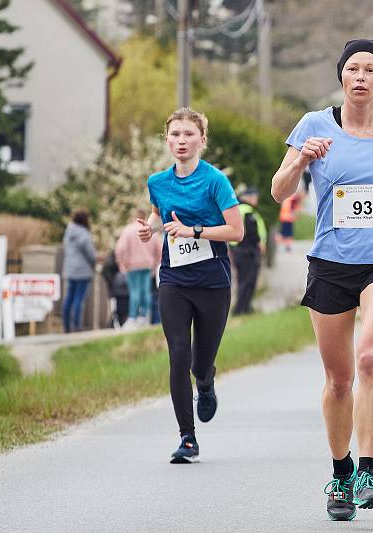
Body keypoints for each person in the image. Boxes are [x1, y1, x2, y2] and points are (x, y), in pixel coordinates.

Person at [271, 39, 373, 521]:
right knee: (339, 381)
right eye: (353, 69)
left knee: (368, 358)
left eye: (371, 69)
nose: (361, 76)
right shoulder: (314, 125)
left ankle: (368, 471)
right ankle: (340, 475)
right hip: (330, 264)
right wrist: (301, 160)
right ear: (341, 77)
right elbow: (280, 191)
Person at [137, 107, 244, 464]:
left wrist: (194, 231)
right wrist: (150, 228)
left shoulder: (216, 181)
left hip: (213, 282)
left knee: (200, 362)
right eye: (175, 135)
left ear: (202, 140)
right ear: (166, 140)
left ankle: (206, 382)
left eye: (188, 134)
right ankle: (187, 437)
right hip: (174, 280)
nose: (181, 141)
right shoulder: (157, 182)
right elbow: (158, 213)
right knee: (178, 353)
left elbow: (237, 231)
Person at [115, 208, 163, 328]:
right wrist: (156, 263)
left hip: (132, 265)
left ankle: (132, 317)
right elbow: (160, 249)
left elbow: (120, 248)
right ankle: (145, 317)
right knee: (145, 291)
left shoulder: (128, 230)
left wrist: (122, 263)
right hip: (147, 265)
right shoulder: (149, 230)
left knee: (134, 292)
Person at [230, 185, 267, 315]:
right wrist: (258, 244)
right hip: (248, 251)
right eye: (255, 196)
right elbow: (251, 232)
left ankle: (242, 308)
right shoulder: (248, 211)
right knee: (248, 281)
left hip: (238, 251)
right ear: (249, 197)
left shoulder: (238, 210)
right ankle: (242, 309)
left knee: (242, 280)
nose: (256, 199)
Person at [62, 208, 97, 333]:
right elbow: (90, 254)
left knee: (69, 298)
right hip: (82, 271)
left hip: (70, 270)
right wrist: (95, 262)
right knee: (79, 299)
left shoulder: (69, 231)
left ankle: (66, 326)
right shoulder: (83, 233)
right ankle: (77, 326)